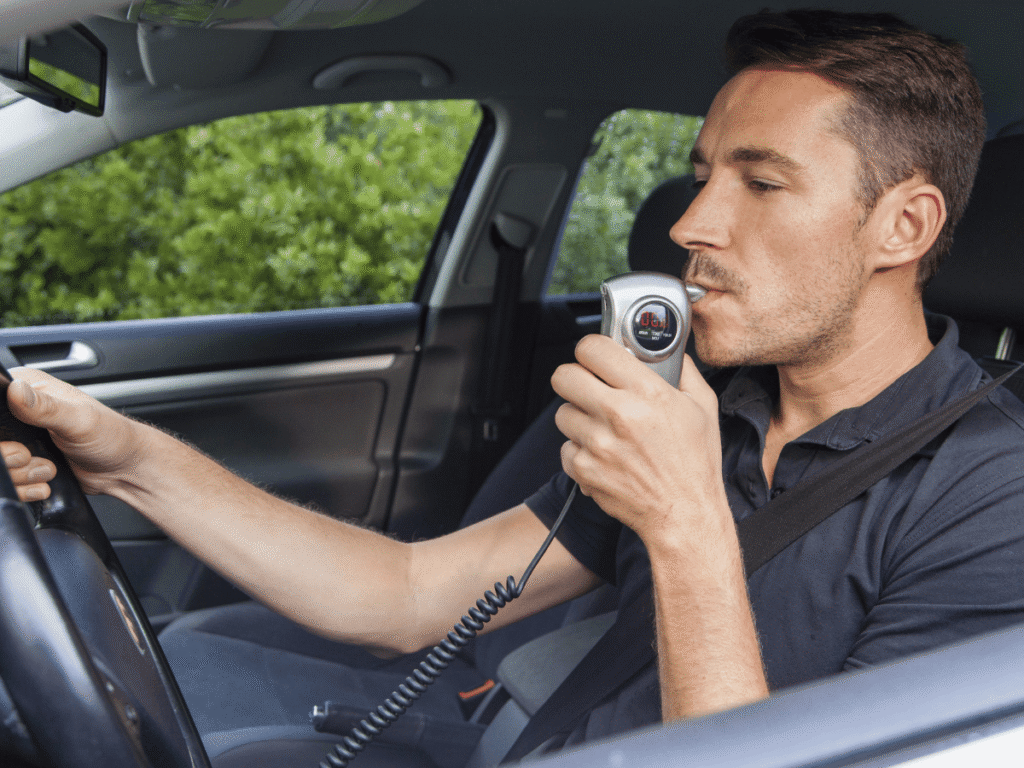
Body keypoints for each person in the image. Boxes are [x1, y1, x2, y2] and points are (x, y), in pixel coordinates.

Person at [5, 6, 1024, 757]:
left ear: (903, 226)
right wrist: (130, 462)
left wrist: (683, 523)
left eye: (760, 183)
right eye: (702, 174)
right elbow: (407, 595)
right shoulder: (708, 410)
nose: (690, 223)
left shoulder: (992, 498)